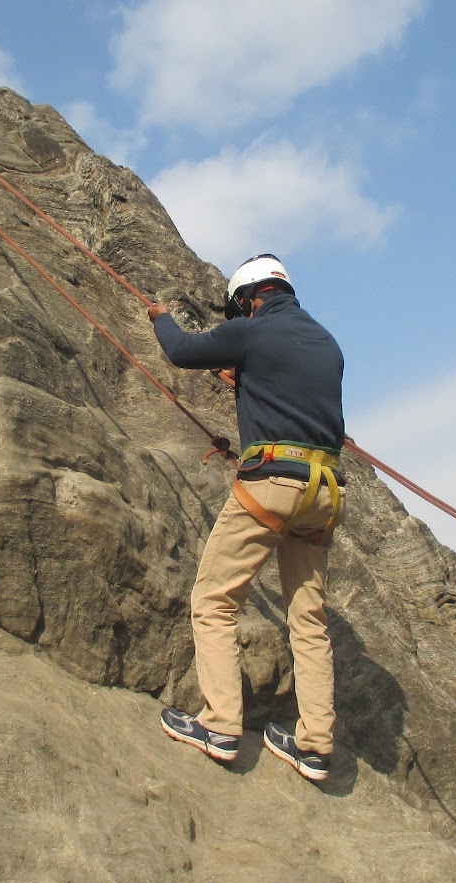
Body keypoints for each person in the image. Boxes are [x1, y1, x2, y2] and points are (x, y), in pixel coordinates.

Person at [147, 254, 346, 783]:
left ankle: (220, 726)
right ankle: (316, 746)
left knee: (213, 600)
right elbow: (284, 389)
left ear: (248, 299)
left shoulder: (251, 331)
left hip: (272, 486)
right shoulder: (327, 343)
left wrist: (160, 316)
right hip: (323, 491)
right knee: (308, 621)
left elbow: (180, 350)